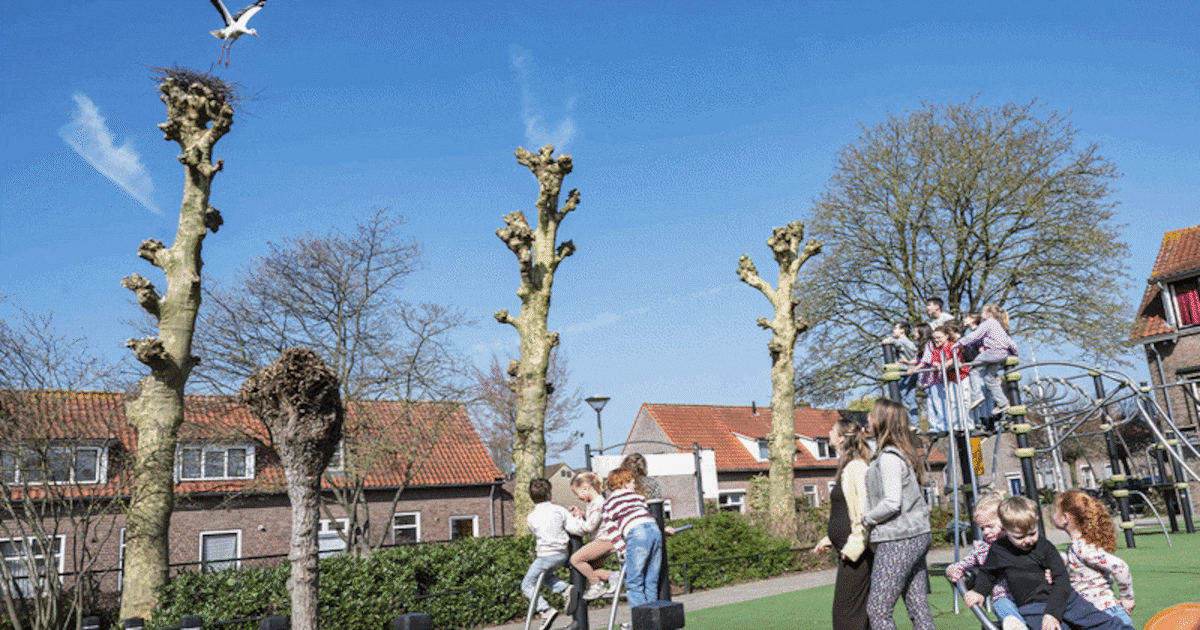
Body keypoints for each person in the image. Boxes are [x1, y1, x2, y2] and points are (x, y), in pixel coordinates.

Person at [964, 496, 1126, 630]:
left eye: (1032, 533)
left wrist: (1052, 613)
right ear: (1005, 529)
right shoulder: (998, 549)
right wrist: (979, 591)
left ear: (1036, 522)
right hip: (1031, 606)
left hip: (1063, 599)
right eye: (1020, 537)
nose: (1028, 540)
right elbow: (988, 573)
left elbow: (1062, 579)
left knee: (1102, 623)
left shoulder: (1044, 547)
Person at [862, 398, 936, 630]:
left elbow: (892, 503)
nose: (868, 418)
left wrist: (867, 518)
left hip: (898, 538)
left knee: (878, 610)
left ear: (882, 421)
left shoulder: (889, 458)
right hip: (916, 534)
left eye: (872, 414)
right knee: (918, 607)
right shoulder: (899, 454)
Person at [813, 417, 873, 630]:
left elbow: (865, 510)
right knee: (856, 615)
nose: (829, 432)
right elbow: (846, 512)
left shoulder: (856, 467)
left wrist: (854, 546)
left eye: (832, 430)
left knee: (846, 615)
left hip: (858, 554)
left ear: (840, 438)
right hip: (848, 551)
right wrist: (830, 538)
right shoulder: (847, 467)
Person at [1052, 490, 1136, 629]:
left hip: (1105, 615)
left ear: (1065, 517)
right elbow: (1064, 559)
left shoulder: (1083, 549)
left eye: (1056, 511)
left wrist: (1127, 598)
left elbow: (1120, 567)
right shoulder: (1076, 547)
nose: (1053, 515)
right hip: (1095, 615)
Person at [946, 493, 1027, 630]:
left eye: (990, 526)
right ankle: (1016, 626)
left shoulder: (1016, 541)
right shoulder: (983, 548)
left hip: (1026, 590)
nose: (986, 532)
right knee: (1000, 605)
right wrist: (954, 569)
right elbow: (967, 561)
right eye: (982, 528)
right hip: (1003, 594)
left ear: (1005, 522)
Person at [602, 468, 663, 608]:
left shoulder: (609, 503)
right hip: (654, 530)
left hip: (636, 532)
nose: (634, 484)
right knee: (651, 580)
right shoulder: (638, 497)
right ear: (622, 483)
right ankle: (654, 616)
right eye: (631, 482)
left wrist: (623, 550)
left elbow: (612, 531)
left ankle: (642, 618)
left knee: (634, 582)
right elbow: (645, 515)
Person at [522, 478, 576, 630]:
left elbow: (536, 532)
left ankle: (546, 609)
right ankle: (565, 589)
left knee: (526, 585)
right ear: (549, 495)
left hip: (545, 555)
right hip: (562, 554)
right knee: (545, 577)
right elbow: (572, 527)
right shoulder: (560, 510)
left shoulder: (531, 517)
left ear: (531, 497)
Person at [955, 304, 1018, 414]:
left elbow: (975, 335)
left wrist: (959, 343)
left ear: (988, 314)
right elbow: (1010, 341)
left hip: (992, 352)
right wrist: (1015, 354)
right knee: (989, 378)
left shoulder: (988, 323)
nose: (981, 314)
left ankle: (977, 396)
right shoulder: (999, 325)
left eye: (983, 312)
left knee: (974, 371)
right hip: (1002, 354)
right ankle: (1003, 403)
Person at [908, 325, 968, 433]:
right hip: (950, 378)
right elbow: (934, 360)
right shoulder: (937, 349)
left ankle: (964, 425)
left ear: (947, 336)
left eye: (939, 337)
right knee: (950, 402)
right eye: (935, 338)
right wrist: (938, 364)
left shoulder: (952, 345)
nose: (937, 340)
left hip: (960, 377)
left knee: (963, 401)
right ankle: (948, 426)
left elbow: (955, 358)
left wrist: (945, 364)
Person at [566, 472, 617, 600]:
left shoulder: (598, 504)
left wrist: (576, 521)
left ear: (585, 488)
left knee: (576, 560)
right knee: (589, 569)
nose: (578, 497)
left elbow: (588, 527)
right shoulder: (594, 503)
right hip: (604, 540)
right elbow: (593, 522)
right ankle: (612, 576)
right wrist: (581, 515)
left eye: (577, 493)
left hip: (605, 540)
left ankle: (596, 585)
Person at [884, 322, 921, 425]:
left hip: (904, 373)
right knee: (911, 398)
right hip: (912, 372)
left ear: (902, 331)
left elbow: (897, 343)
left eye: (896, 328)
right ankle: (915, 423)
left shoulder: (902, 341)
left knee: (900, 398)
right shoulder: (910, 343)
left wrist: (889, 340)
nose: (893, 330)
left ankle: (908, 423)